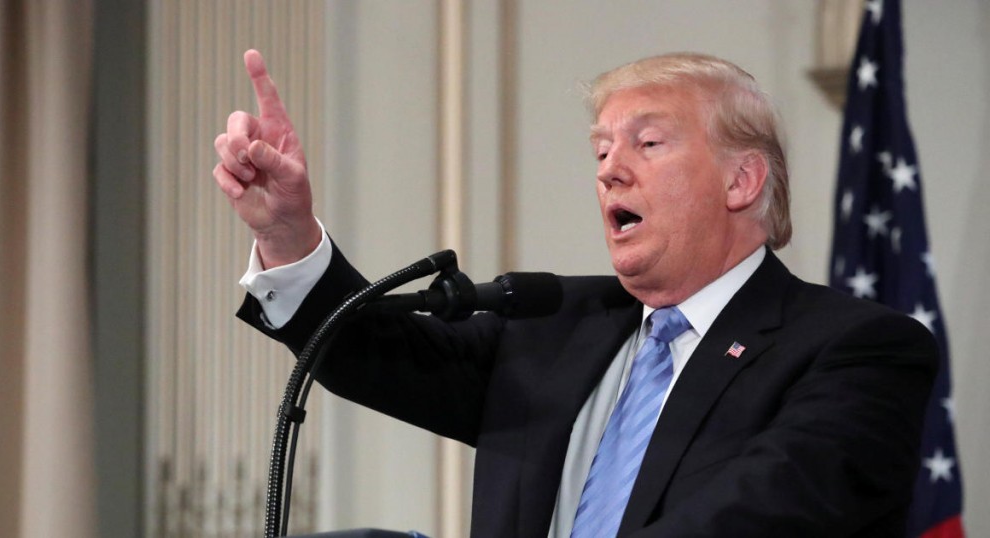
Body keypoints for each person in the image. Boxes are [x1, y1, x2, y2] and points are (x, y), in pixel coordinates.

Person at [214, 49, 937, 537]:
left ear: (740, 181)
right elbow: (371, 350)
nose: (610, 172)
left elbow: (758, 516)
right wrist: (287, 233)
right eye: (601, 151)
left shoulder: (857, 349)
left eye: (647, 144)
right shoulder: (554, 325)